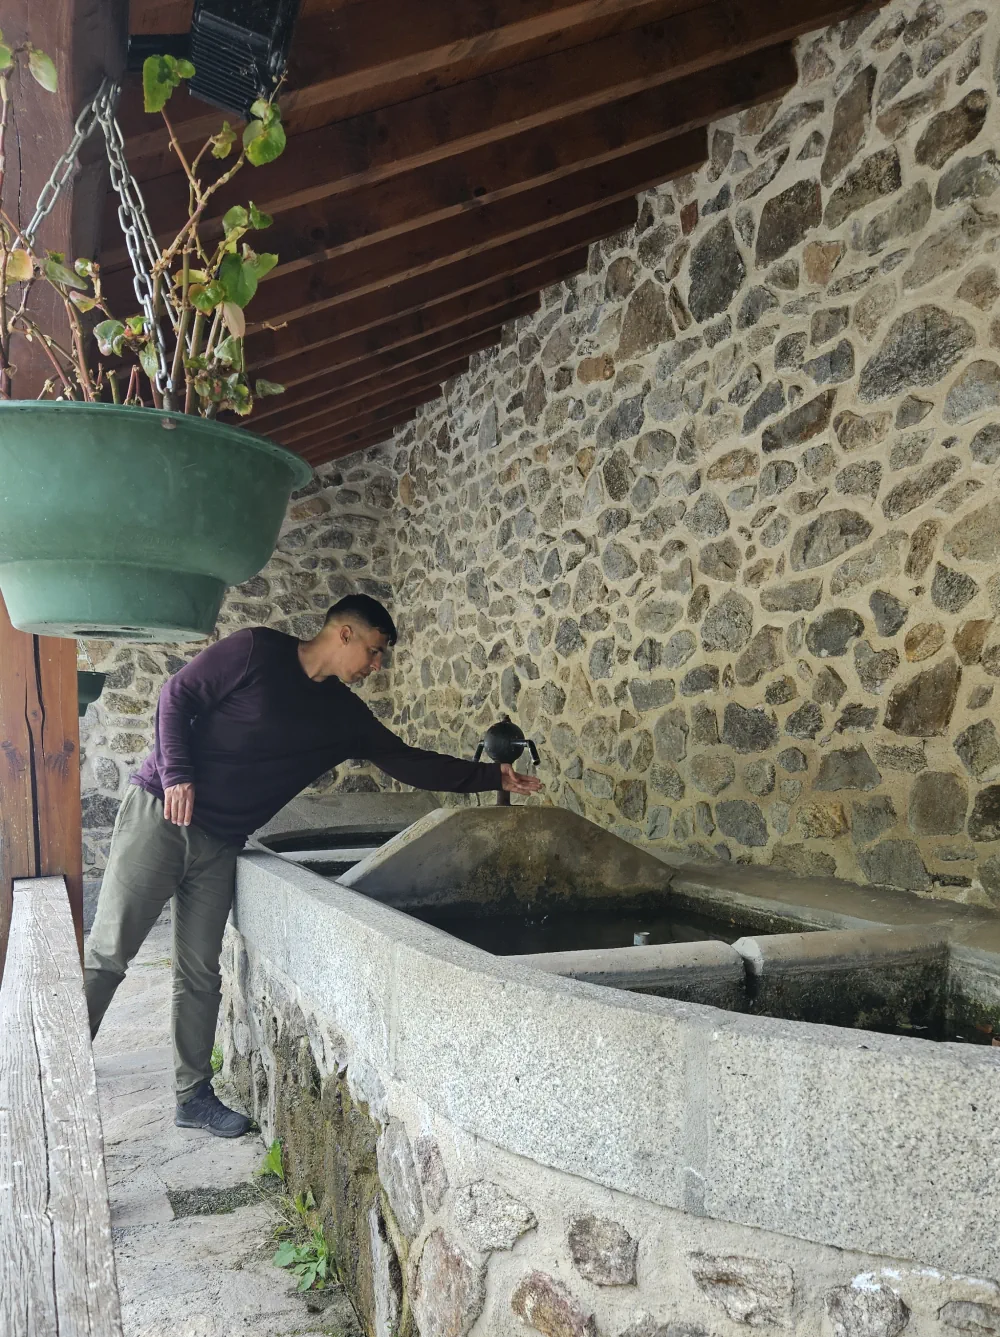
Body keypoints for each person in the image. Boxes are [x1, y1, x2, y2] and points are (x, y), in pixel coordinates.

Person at [84, 594, 542, 1136]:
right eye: (374, 652)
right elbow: (176, 695)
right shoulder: (255, 651)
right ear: (344, 633)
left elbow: (408, 761)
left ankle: (192, 1097)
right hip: (161, 815)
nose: (376, 667)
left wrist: (495, 778)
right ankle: (55, 1070)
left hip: (222, 842)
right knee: (111, 953)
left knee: (200, 972)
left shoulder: (343, 715)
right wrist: (178, 773)